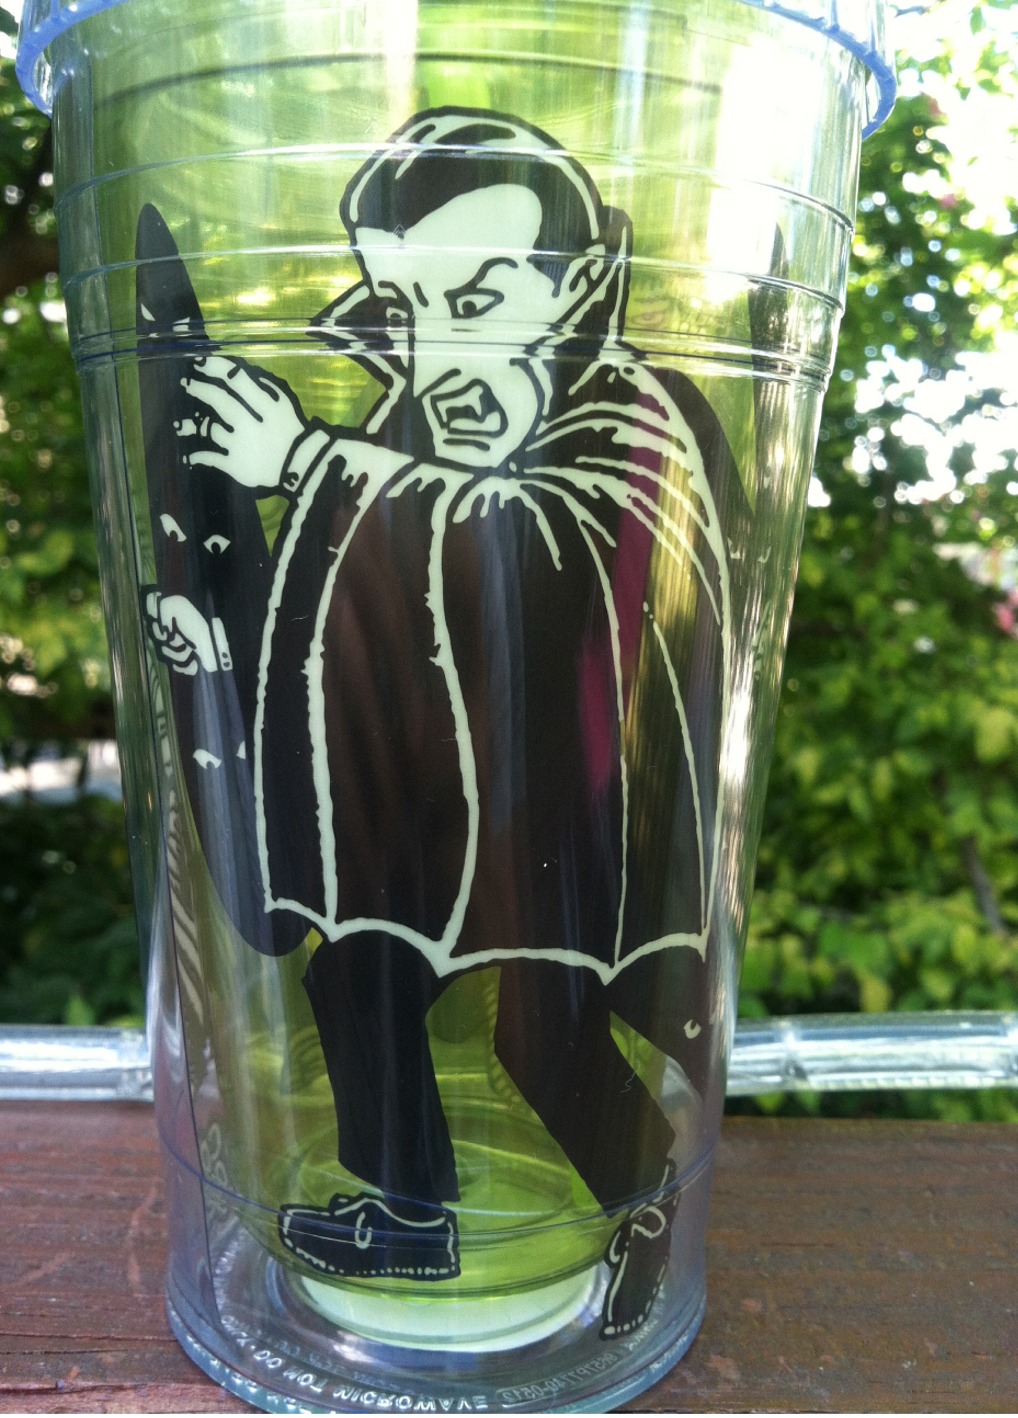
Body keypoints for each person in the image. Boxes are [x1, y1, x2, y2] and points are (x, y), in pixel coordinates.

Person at [141, 107, 746, 1339]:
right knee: (357, 972)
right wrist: (222, 651)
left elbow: (548, 551)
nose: (432, 354)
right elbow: (353, 632)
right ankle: (413, 1210)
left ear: (582, 287)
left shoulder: (633, 423)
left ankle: (635, 1210)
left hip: (573, 835)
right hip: (435, 828)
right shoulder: (415, 429)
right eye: (404, 311)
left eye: (476, 300)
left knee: (538, 1032)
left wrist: (307, 463)